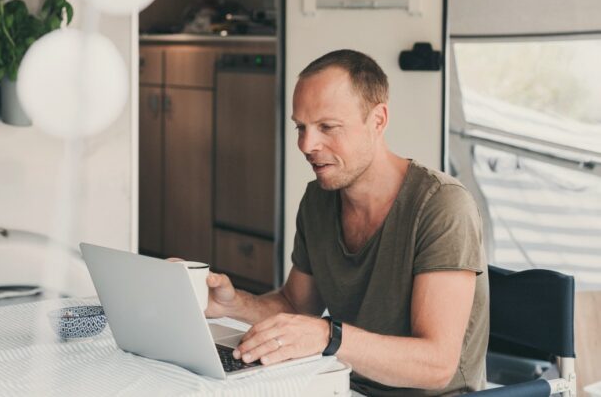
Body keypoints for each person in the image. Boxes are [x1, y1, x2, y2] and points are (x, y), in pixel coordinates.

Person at [205, 50, 489, 396]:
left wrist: (328, 335)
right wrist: (231, 305)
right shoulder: (319, 200)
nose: (307, 145)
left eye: (327, 127)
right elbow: (295, 307)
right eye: (301, 127)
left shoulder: (442, 205)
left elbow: (436, 365)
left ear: (378, 120)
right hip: (342, 385)